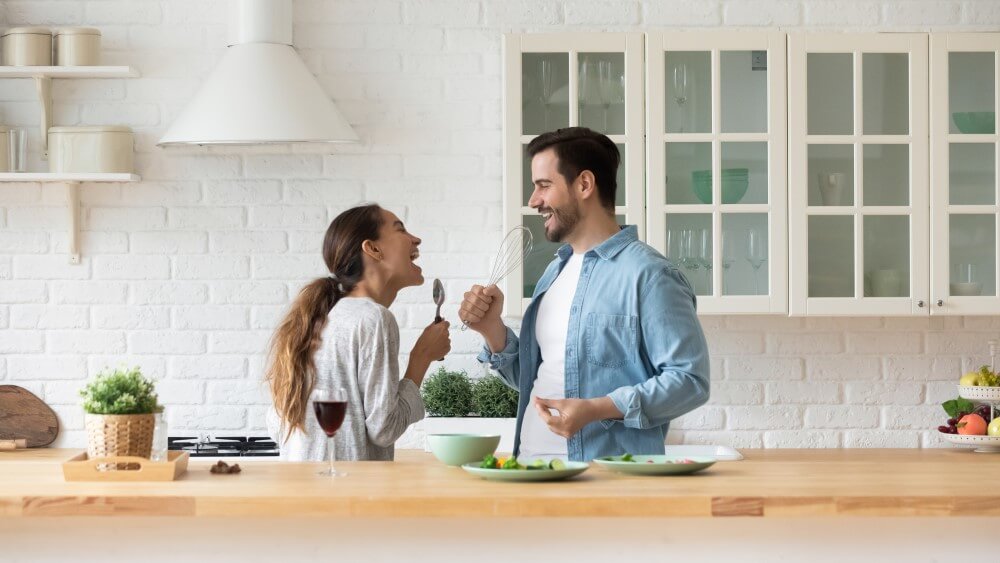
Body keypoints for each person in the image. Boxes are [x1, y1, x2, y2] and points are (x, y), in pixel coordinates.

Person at [460, 127, 710, 462]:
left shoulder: (650, 275)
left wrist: (597, 409)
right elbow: (537, 379)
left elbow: (689, 381)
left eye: (543, 185)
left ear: (584, 184)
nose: (534, 200)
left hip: (604, 482)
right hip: (531, 469)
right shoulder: (555, 272)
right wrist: (492, 329)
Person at [266, 204, 451, 461]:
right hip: (347, 492)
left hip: (304, 489)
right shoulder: (373, 318)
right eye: (400, 230)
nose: (416, 239)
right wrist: (422, 357)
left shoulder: (324, 317)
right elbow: (384, 429)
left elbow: (277, 425)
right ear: (373, 249)